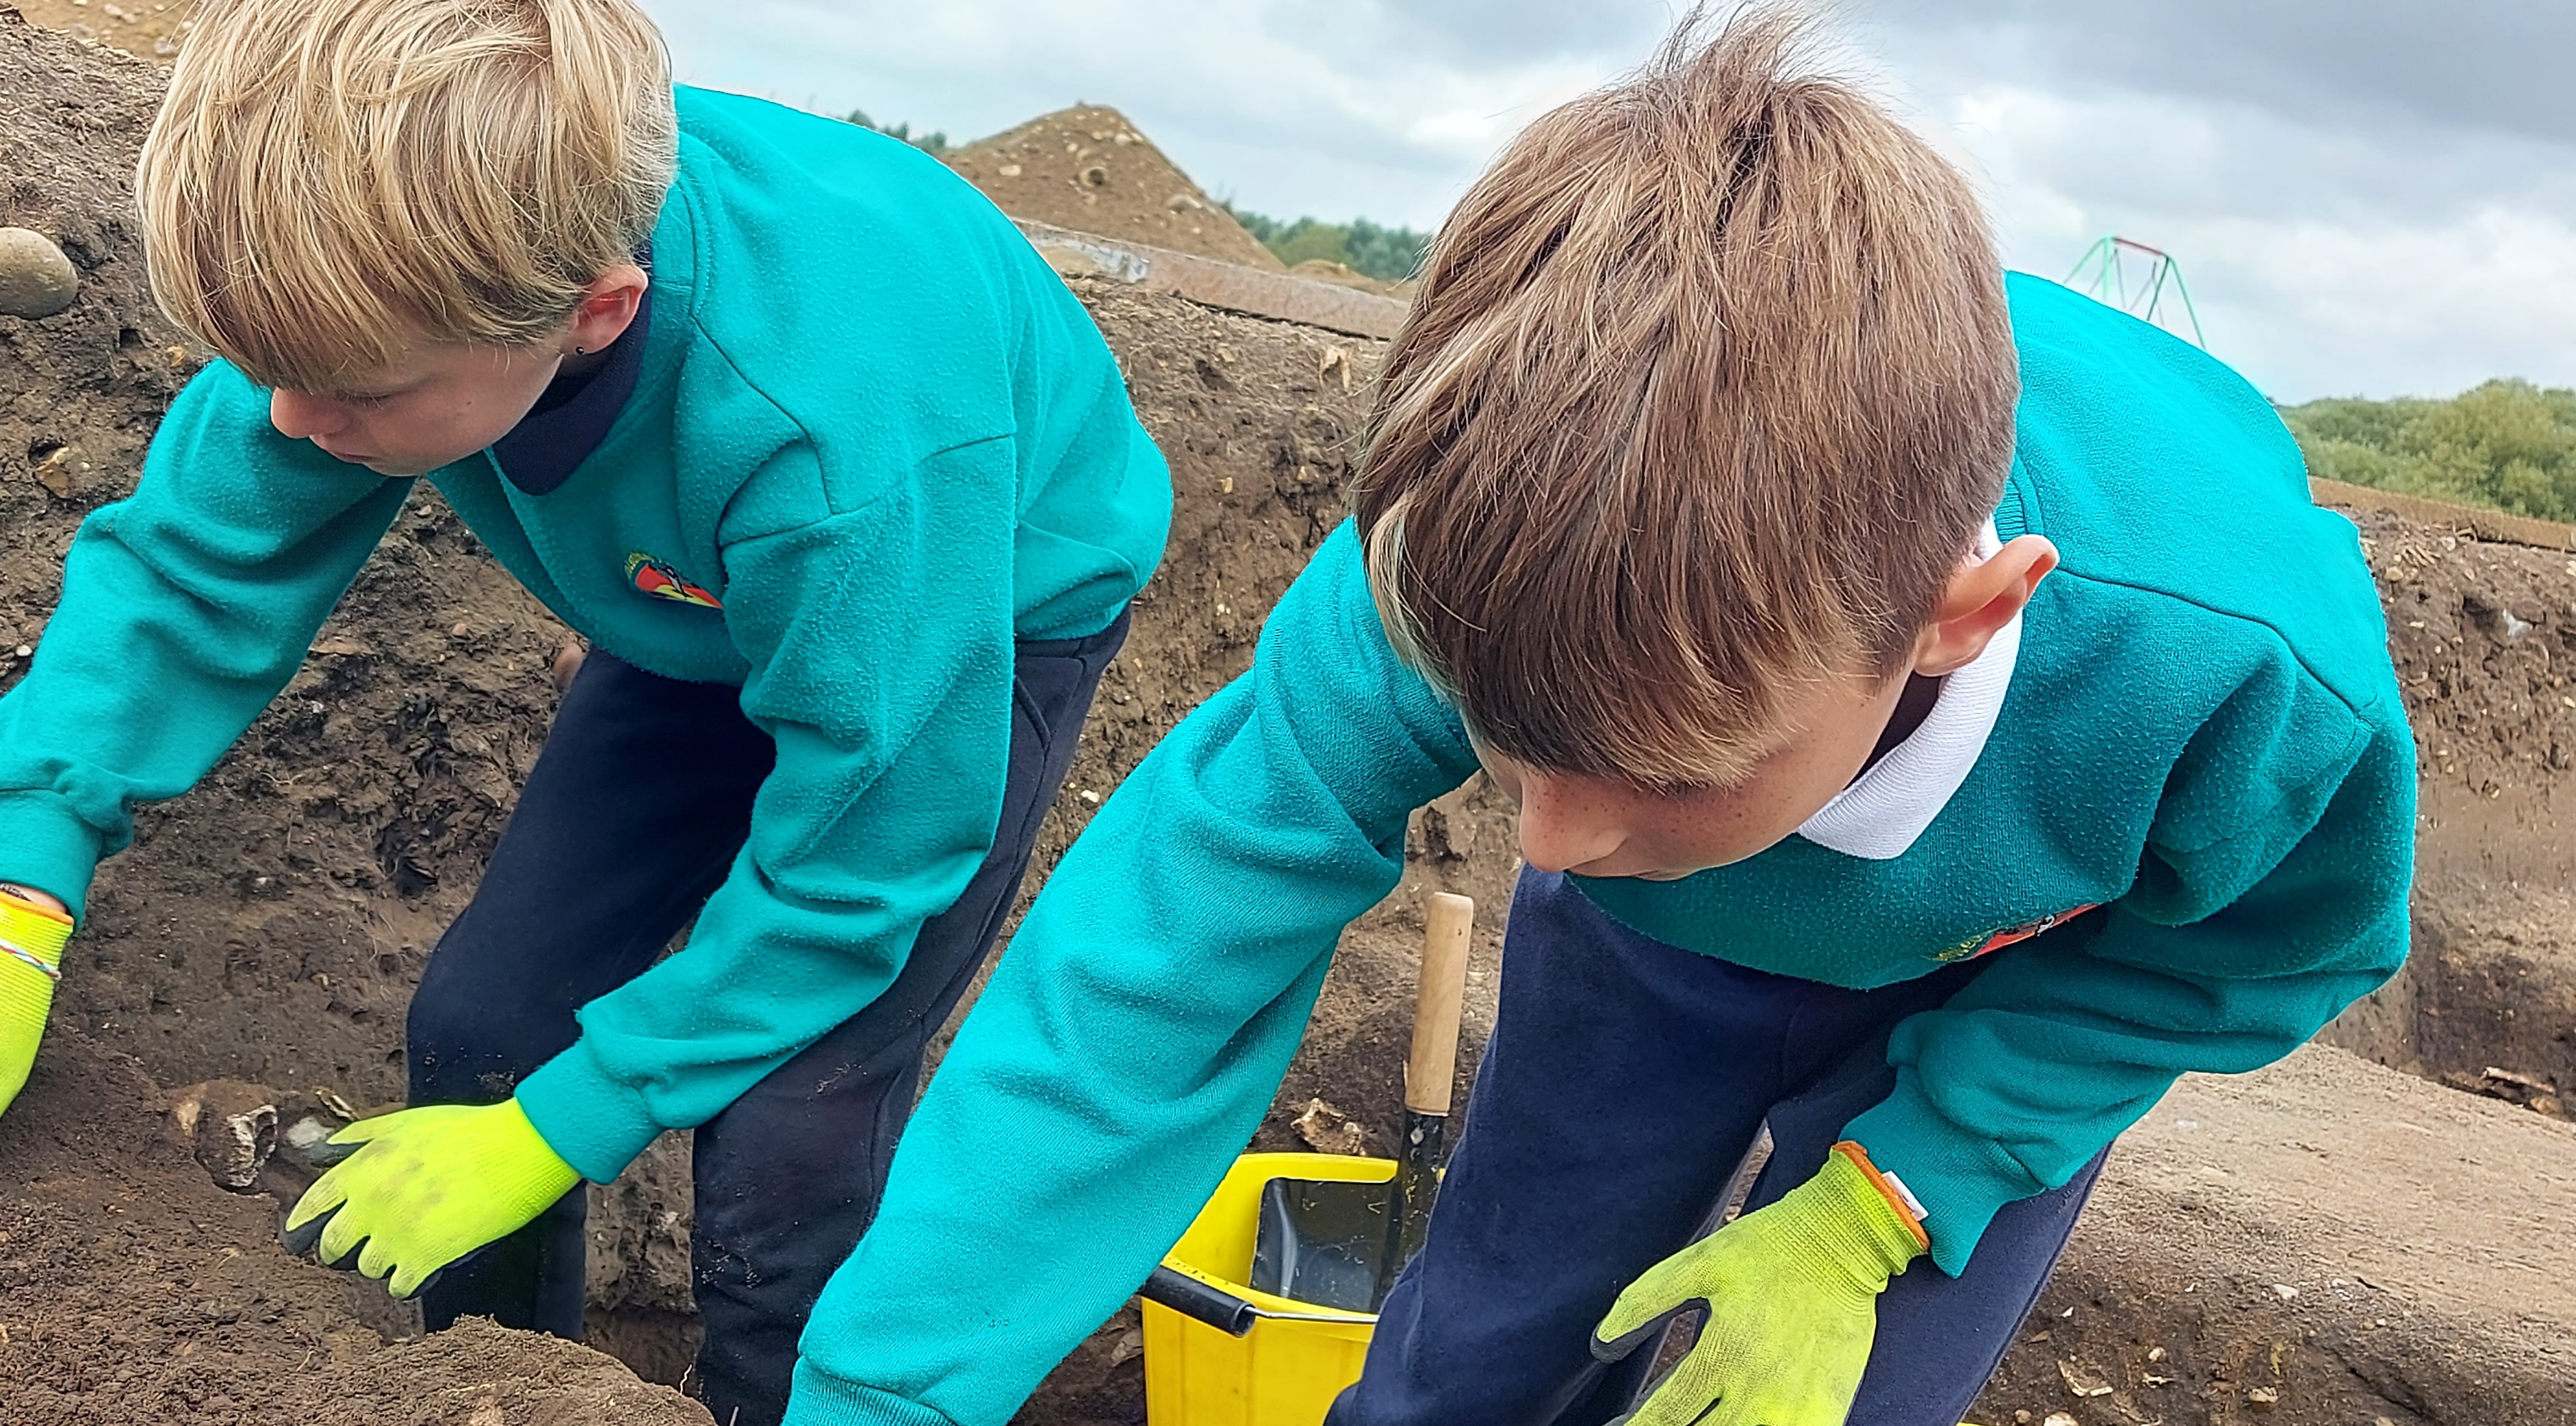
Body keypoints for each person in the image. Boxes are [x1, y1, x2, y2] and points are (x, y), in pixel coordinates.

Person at [784, 12, 2413, 1426]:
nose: (1545, 843)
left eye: (1658, 768)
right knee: (1474, 1355)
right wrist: (884, 1390)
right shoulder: (1478, 539)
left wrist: (1895, 1193)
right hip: (1661, 956)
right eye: (1511, 745)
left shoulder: (2236, 678)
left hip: (2010, 980)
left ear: (1958, 613)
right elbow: (1155, 959)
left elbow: (2255, 952)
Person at [0, 0, 1169, 1418]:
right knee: (485, 1028)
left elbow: (867, 858)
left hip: (966, 613)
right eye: (268, 372)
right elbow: (190, 567)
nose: (289, 423)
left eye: (351, 391)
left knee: (787, 1129)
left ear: (597, 311)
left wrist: (565, 1128)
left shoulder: (829, 439)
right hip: (699, 597)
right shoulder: (395, 282)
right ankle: (500, 1387)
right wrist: (11, 894)